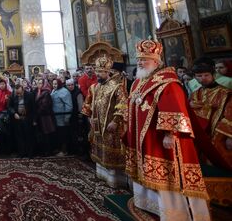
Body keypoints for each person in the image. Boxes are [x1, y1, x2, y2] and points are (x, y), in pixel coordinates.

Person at [124, 39, 210, 220]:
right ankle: (146, 203)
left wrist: (170, 133)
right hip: (142, 139)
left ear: (156, 61)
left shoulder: (168, 81)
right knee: (145, 172)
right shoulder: (138, 82)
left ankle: (174, 212)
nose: (140, 62)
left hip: (160, 138)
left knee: (167, 175)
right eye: (139, 59)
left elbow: (174, 107)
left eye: (145, 59)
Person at [82, 56, 127, 188]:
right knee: (99, 150)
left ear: (108, 72)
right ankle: (102, 174)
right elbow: (87, 104)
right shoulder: (94, 87)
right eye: (97, 72)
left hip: (111, 126)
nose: (98, 75)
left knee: (112, 150)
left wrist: (115, 120)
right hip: (96, 125)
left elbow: (123, 105)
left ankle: (115, 179)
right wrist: (88, 117)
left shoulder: (117, 87)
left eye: (101, 72)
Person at [189, 57, 232, 168]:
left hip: (219, 136)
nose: (203, 78)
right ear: (194, 77)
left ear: (213, 75)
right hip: (201, 137)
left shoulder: (226, 93)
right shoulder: (195, 94)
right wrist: (188, 107)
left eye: (206, 75)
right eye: (199, 76)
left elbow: (230, 116)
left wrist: (229, 137)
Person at [8, 84, 36, 158]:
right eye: (17, 93)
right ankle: (21, 153)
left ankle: (30, 154)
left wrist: (34, 120)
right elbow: (9, 107)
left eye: (20, 93)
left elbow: (34, 108)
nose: (19, 95)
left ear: (23, 90)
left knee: (29, 136)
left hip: (27, 118)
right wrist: (14, 113)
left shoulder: (30, 95)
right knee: (19, 137)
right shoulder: (13, 95)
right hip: (17, 118)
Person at [33, 79, 55, 156]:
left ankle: (48, 151)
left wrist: (36, 112)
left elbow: (45, 105)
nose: (39, 84)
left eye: (40, 83)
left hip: (45, 116)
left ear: (44, 84)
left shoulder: (46, 92)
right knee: (40, 134)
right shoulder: (36, 91)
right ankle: (42, 150)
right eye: (38, 83)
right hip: (38, 116)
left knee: (46, 134)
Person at [51, 78, 73, 156]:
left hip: (62, 117)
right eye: (53, 84)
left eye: (56, 84)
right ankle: (59, 149)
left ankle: (64, 151)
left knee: (63, 134)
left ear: (59, 84)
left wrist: (67, 117)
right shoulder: (53, 90)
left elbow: (69, 106)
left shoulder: (65, 91)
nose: (54, 85)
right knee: (58, 134)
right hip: (55, 117)